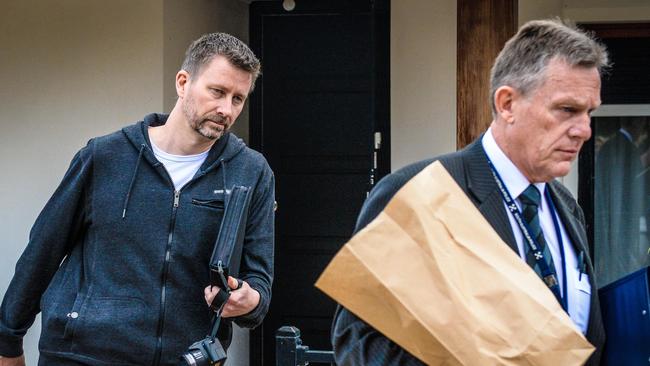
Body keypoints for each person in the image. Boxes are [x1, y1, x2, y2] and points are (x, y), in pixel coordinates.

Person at [332, 19, 608, 366]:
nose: (584, 130)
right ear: (507, 103)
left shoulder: (567, 207)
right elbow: (359, 348)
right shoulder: (417, 193)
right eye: (567, 110)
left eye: (589, 112)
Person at [0, 33, 275, 366]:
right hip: (81, 354)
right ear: (183, 82)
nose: (225, 109)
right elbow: (42, 251)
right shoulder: (104, 156)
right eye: (217, 92)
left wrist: (249, 300)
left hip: (184, 358)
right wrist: (8, 341)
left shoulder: (251, 171)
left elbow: (259, 278)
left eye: (237, 99)